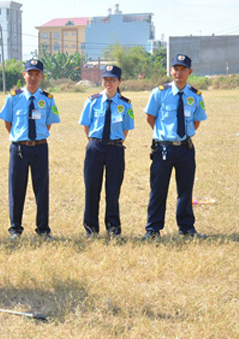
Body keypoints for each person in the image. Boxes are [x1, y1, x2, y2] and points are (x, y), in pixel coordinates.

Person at [143, 54, 207, 239]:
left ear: (190, 72)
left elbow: (196, 121)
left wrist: (181, 137)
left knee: (185, 190)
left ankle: (187, 228)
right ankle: (153, 229)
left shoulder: (195, 96)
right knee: (158, 190)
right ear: (171, 71)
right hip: (163, 148)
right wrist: (165, 135)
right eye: (175, 69)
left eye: (183, 69)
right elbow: (150, 118)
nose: (179, 73)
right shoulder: (159, 93)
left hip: (185, 149)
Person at [0, 59, 60, 241]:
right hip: (19, 149)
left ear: (41, 76)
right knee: (17, 189)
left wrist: (35, 139)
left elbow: (48, 124)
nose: (33, 77)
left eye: (37, 74)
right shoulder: (13, 97)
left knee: (41, 189)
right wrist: (21, 138)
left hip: (40, 147)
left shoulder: (47, 99)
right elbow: (8, 123)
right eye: (30, 74)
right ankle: (15, 229)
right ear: (24, 75)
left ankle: (43, 229)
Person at [78, 65, 134, 238]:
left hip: (115, 149)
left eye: (112, 80)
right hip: (95, 148)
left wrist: (113, 142)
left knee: (113, 190)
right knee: (92, 189)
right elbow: (86, 126)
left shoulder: (125, 104)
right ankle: (91, 229)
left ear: (119, 81)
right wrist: (96, 142)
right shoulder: (92, 101)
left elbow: (126, 129)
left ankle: (113, 229)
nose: (108, 83)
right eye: (105, 79)